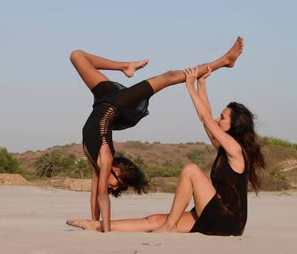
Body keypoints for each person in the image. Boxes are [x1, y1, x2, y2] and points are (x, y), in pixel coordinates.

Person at [68, 36, 245, 233]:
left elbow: (101, 197)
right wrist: (200, 85)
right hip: (106, 100)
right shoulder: (101, 165)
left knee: (169, 77)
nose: (113, 189)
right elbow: (209, 121)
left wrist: (190, 85)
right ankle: (125, 67)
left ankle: (223, 61)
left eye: (223, 118)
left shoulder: (105, 158)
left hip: (119, 105)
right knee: (76, 55)